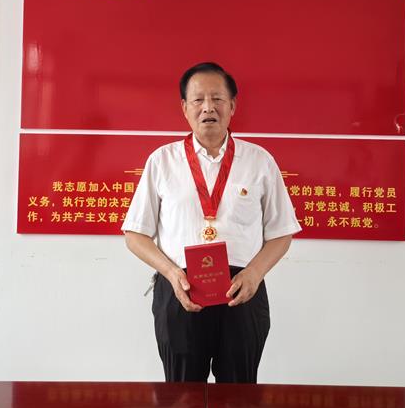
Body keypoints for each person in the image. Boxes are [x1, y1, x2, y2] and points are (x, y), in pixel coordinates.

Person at [122, 62, 301, 383]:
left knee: (239, 397)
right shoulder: (161, 161)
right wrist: (171, 273)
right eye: (198, 99)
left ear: (232, 106)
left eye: (217, 99)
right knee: (181, 396)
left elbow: (281, 233)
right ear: (184, 108)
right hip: (180, 289)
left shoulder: (260, 161)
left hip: (242, 291)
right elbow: (135, 234)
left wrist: (255, 273)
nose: (208, 107)